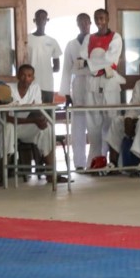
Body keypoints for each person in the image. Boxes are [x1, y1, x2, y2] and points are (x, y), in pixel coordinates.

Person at [0, 64, 56, 180]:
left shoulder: (35, 88)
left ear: (33, 78)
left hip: (17, 127)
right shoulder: (7, 89)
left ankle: (51, 173)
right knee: (9, 127)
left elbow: (38, 111)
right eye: (23, 75)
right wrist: (33, 120)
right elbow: (6, 118)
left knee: (46, 127)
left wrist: (40, 120)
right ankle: (4, 174)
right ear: (18, 76)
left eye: (29, 76)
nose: (26, 79)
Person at [82, 8, 125, 167]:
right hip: (92, 83)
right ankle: (94, 160)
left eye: (102, 18)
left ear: (107, 19)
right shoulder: (89, 38)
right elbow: (81, 59)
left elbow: (109, 58)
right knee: (92, 122)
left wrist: (90, 62)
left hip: (109, 81)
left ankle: (115, 161)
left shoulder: (115, 37)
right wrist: (92, 63)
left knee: (112, 121)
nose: (99, 21)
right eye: (96, 18)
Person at [59, 13, 92, 170]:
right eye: (81, 22)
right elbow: (66, 69)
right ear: (77, 24)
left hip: (93, 83)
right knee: (78, 126)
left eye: (86, 22)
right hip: (77, 85)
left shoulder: (95, 41)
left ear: (90, 23)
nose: (84, 25)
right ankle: (79, 163)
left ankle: (95, 161)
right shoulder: (71, 45)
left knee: (95, 125)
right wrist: (66, 94)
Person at [26, 10, 62, 104]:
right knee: (31, 110)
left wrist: (45, 71)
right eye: (38, 18)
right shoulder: (26, 39)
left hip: (47, 84)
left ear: (47, 20)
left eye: (43, 18)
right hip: (30, 83)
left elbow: (57, 67)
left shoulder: (52, 41)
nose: (41, 20)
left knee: (47, 110)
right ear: (34, 20)